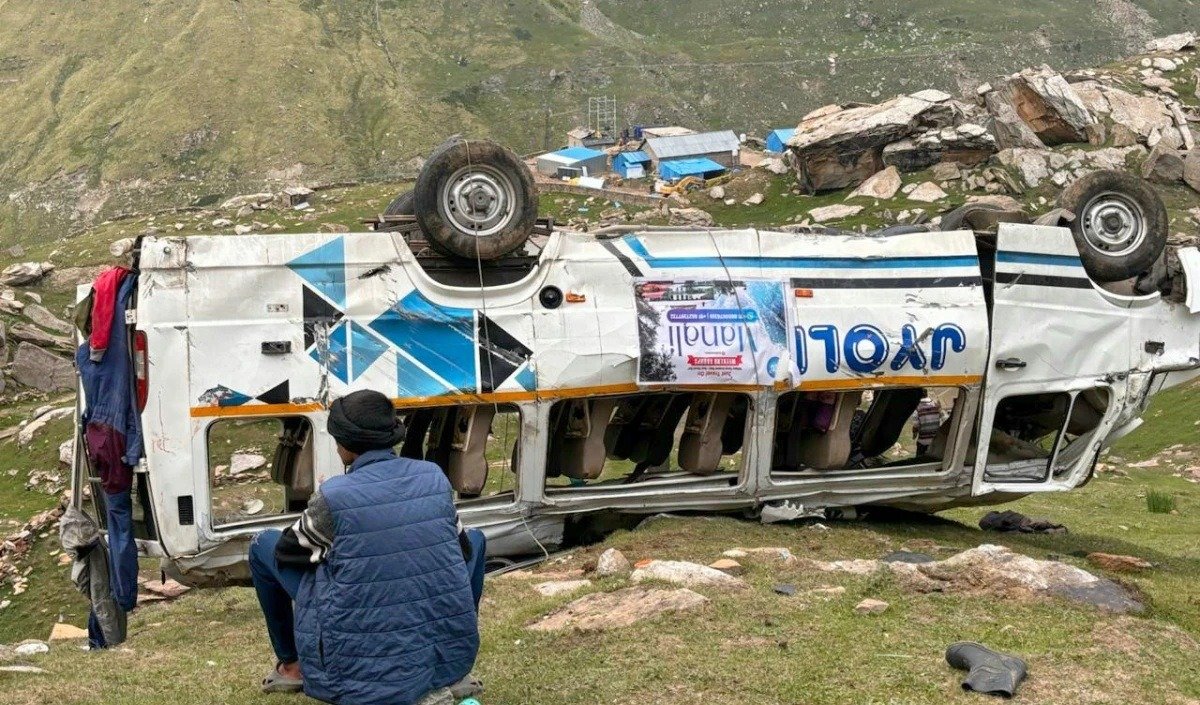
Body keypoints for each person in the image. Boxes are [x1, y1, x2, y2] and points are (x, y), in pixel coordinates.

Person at [249, 390, 486, 705]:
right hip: (438, 651)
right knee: (478, 539)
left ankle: (292, 666)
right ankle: (453, 667)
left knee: (262, 543)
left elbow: (289, 552)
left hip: (356, 660)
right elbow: (463, 549)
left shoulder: (335, 495)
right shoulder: (434, 478)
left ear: (342, 445)